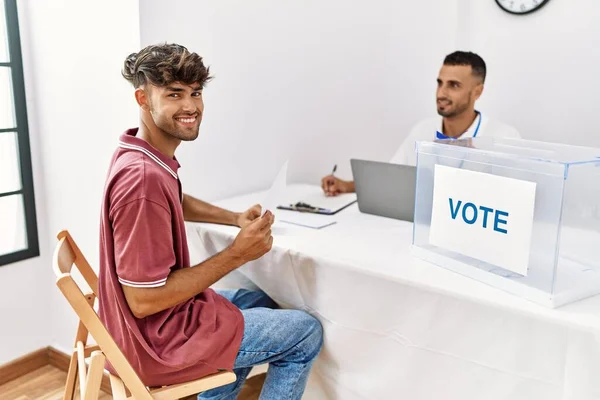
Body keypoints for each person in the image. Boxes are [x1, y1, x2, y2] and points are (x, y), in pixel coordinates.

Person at [97, 43, 323, 400]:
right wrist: (237, 254)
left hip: (142, 327)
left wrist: (232, 218)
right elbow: (143, 300)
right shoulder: (143, 180)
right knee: (305, 332)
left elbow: (174, 199)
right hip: (155, 343)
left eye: (195, 93)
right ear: (143, 99)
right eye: (174, 94)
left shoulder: (140, 153)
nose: (190, 106)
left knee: (260, 300)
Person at [321, 51, 521, 196]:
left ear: (477, 92)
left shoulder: (504, 137)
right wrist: (346, 185)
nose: (441, 93)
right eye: (439, 83)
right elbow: (391, 177)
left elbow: (515, 200)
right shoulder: (423, 129)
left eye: (454, 85)